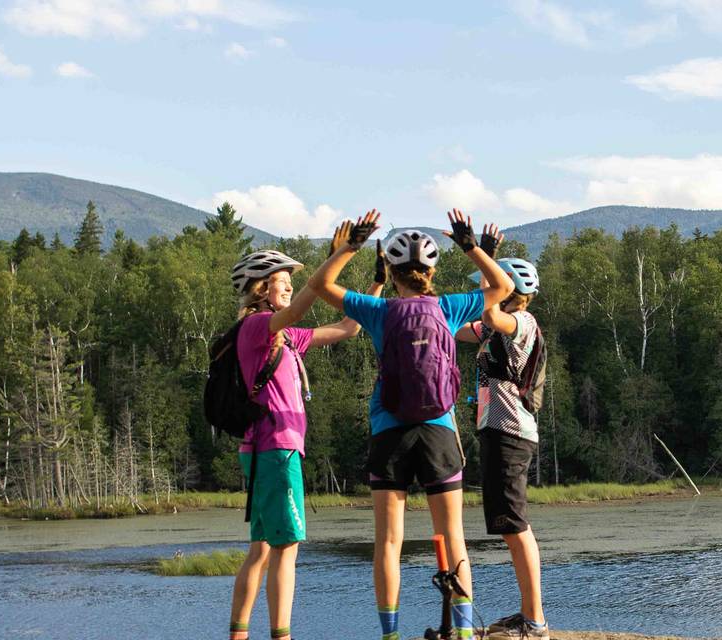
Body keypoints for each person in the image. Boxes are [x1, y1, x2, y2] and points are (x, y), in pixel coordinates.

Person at [309, 209, 513, 640]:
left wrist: (349, 248)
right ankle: (460, 632)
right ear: (432, 270)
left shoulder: (378, 311)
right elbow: (504, 287)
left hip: (389, 432)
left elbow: (320, 286)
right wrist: (471, 246)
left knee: (388, 542)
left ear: (394, 271)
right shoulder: (451, 306)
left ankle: (389, 634)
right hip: (439, 431)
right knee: (452, 536)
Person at [226, 249, 366, 640]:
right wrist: (341, 254)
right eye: (281, 280)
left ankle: (239, 634)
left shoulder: (285, 337)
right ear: (260, 288)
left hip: (268, 450)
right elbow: (303, 306)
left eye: (290, 280)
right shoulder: (257, 326)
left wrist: (374, 285)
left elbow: (347, 328)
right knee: (287, 547)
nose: (288, 285)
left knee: (262, 548)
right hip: (275, 450)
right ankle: (281, 636)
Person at [455, 231, 549, 640]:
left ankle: (536, 622)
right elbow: (458, 327)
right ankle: (528, 612)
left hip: (511, 432)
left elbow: (492, 317)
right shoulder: (494, 327)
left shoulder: (520, 322)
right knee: (508, 523)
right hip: (497, 430)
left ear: (509, 289)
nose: (485, 289)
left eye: (493, 283)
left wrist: (482, 258)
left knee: (514, 525)